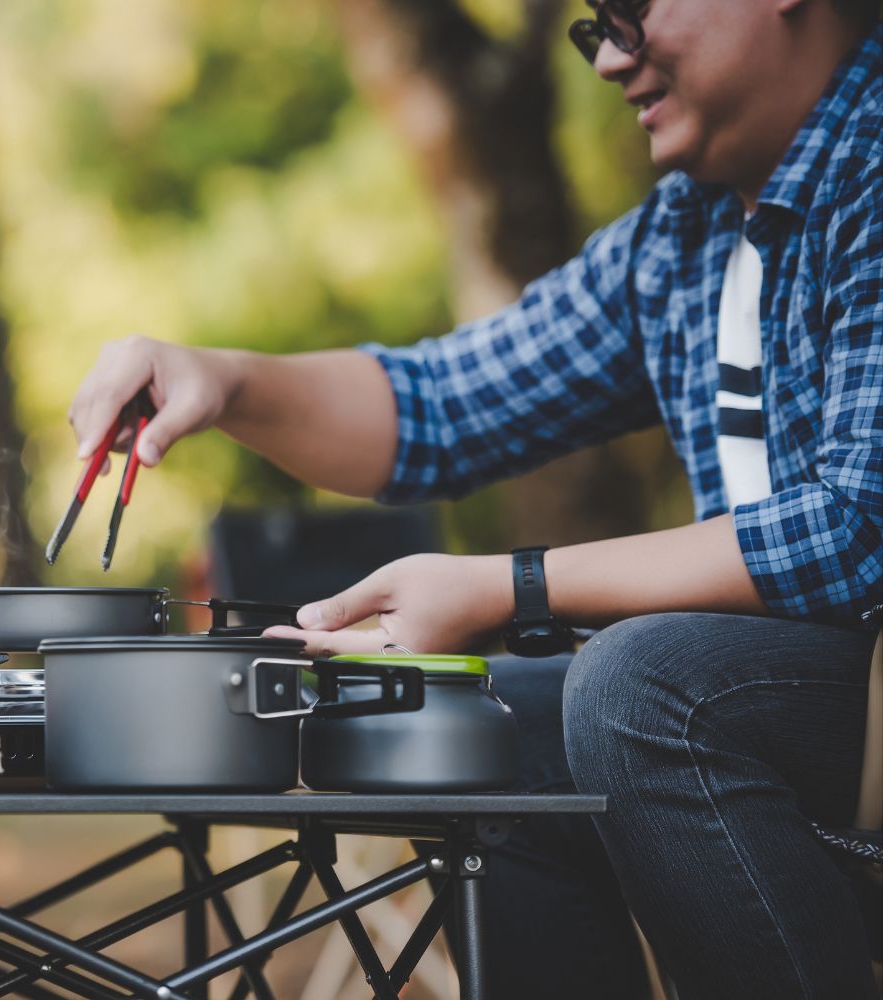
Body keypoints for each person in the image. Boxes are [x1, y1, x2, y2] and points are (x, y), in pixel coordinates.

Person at [69, 0, 882, 996]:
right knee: (471, 716)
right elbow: (440, 408)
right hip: (802, 708)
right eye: (593, 30)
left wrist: (515, 586)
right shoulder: (684, 239)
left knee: (640, 683)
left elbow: (854, 528)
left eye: (630, 13)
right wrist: (224, 378)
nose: (610, 60)